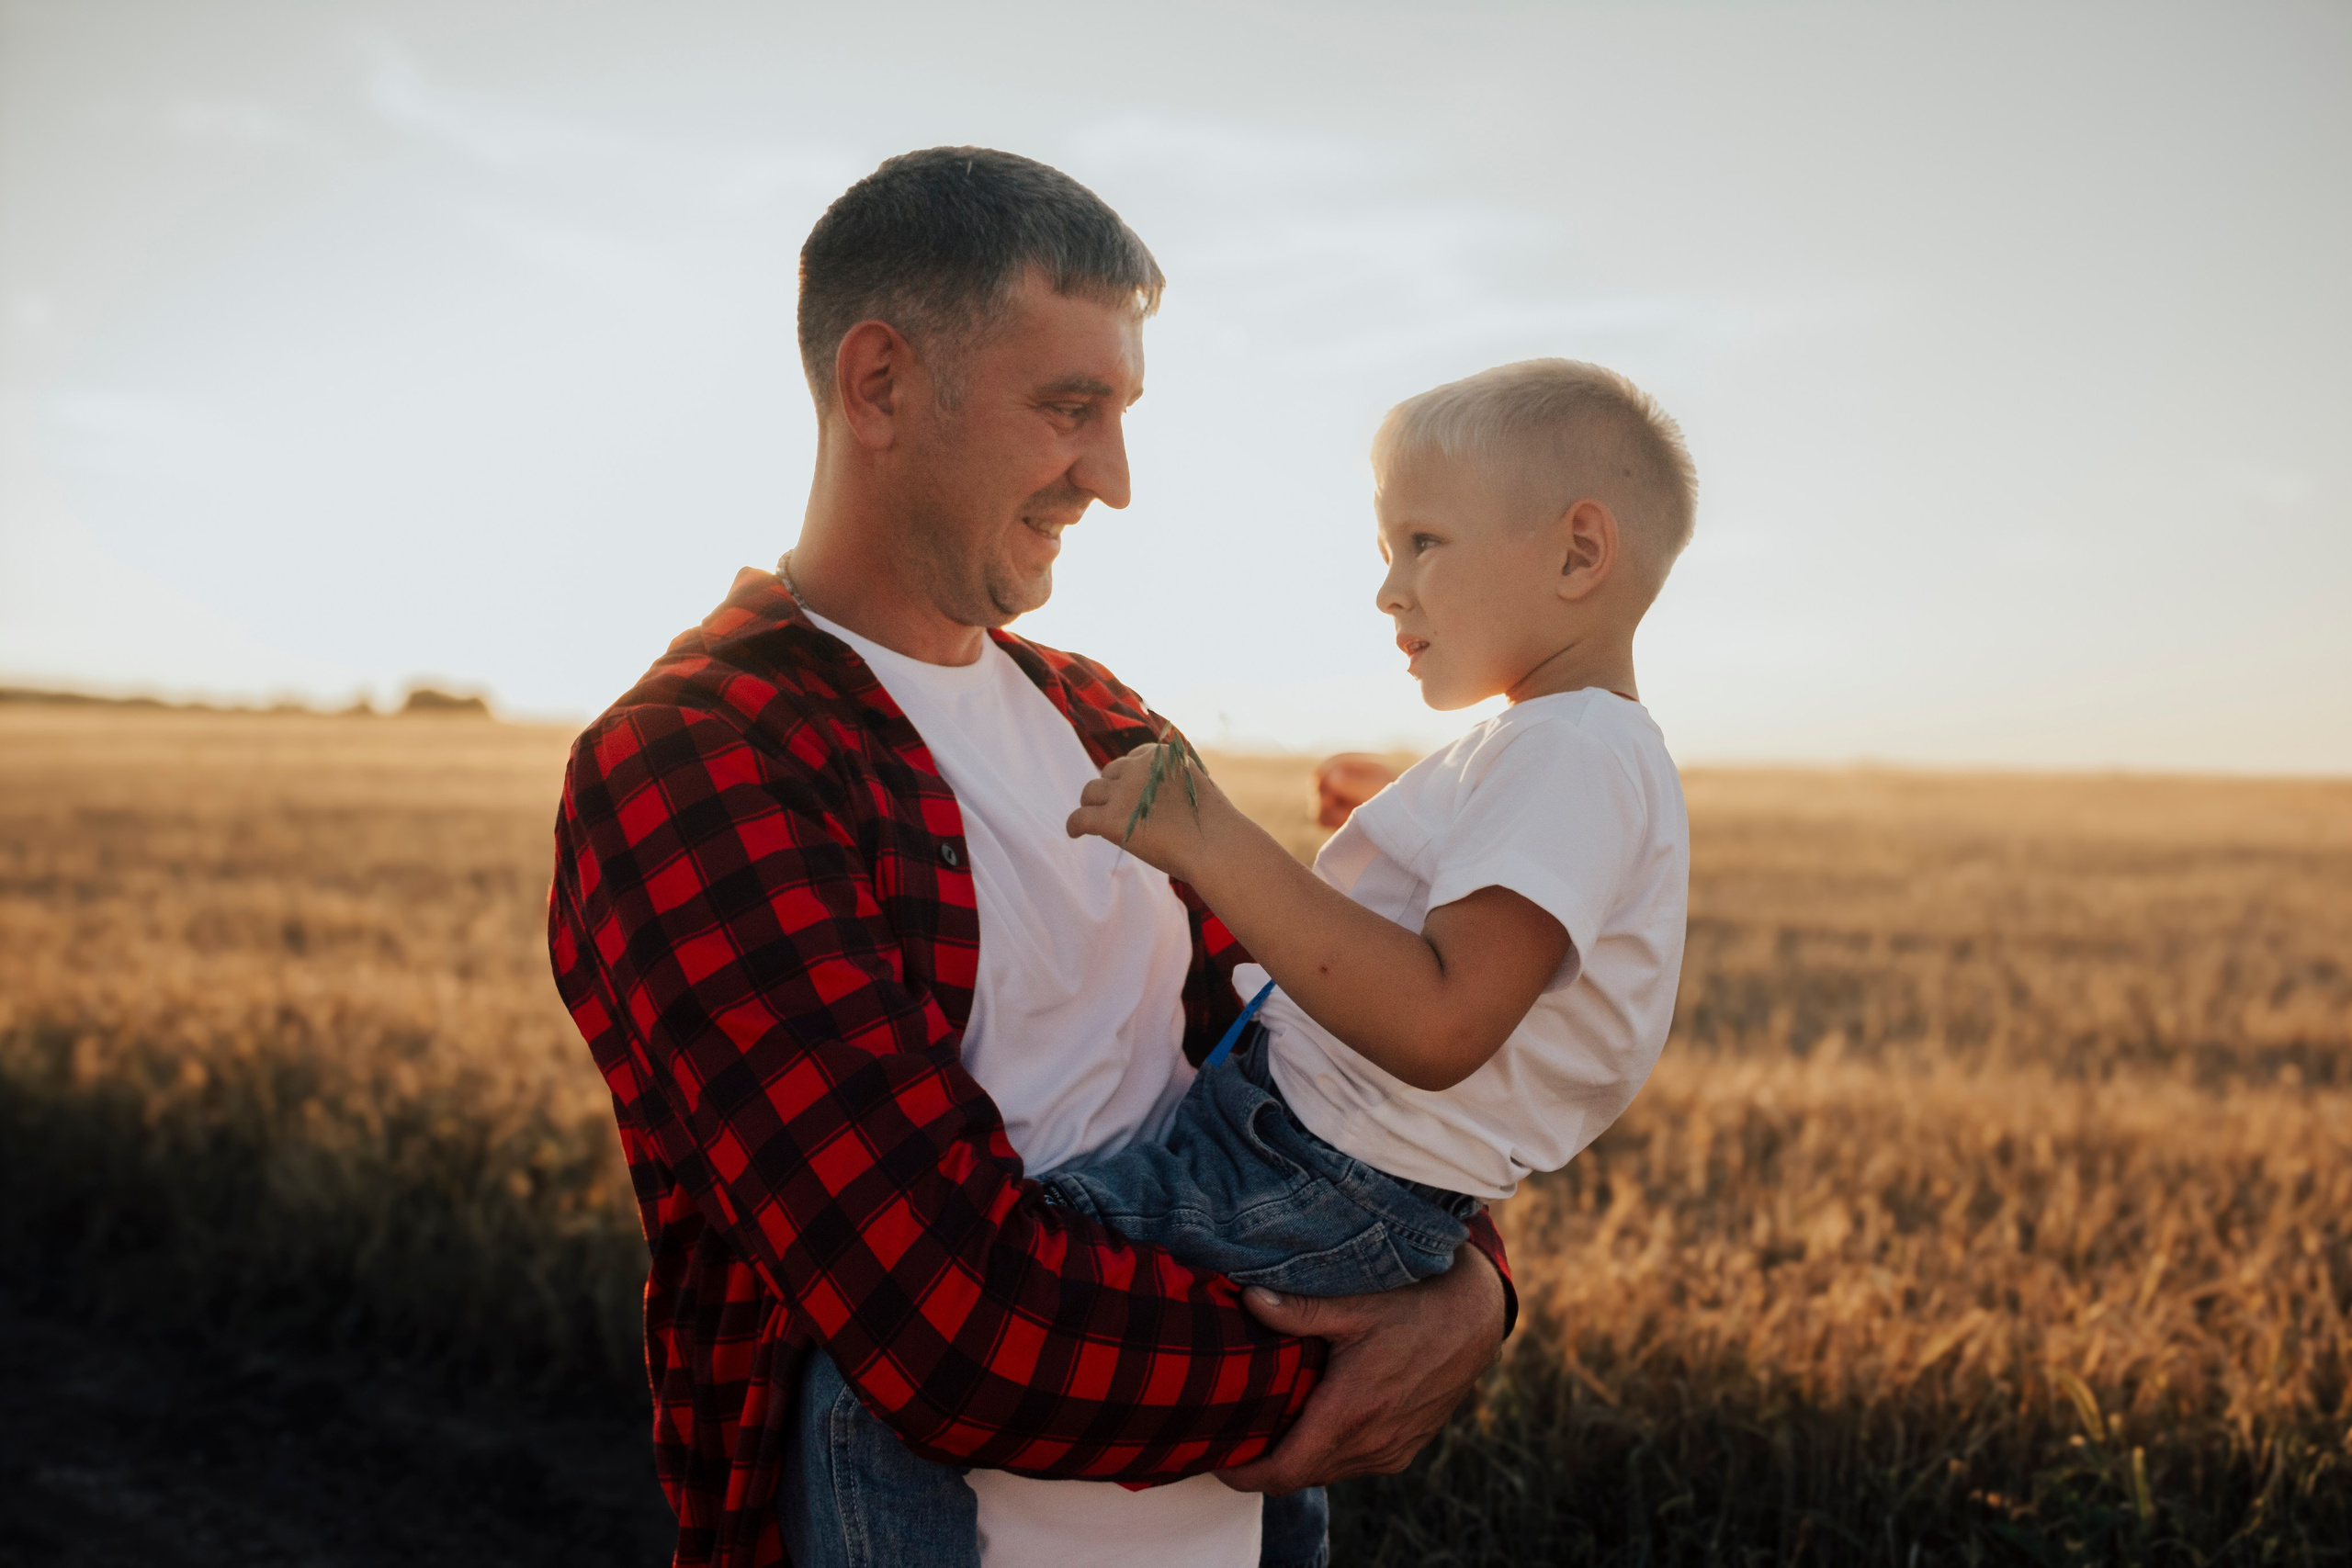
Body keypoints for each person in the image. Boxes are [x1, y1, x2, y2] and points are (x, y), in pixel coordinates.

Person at [547, 146, 1516, 1568]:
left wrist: (1477, 1292)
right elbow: (943, 1319)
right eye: (1071, 410)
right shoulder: (702, 757)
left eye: (1120, 414)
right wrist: (1353, 1359)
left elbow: (1313, 1084)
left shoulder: (1103, 718)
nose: (1111, 481)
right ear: (878, 383)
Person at [813, 357, 1695, 1562]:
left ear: (1579, 554)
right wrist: (1389, 837)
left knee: (884, 1349)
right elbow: (1434, 959)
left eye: (1423, 542)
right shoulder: (1559, 752)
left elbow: (1442, 1023)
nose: (1390, 591)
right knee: (1269, 1392)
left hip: (1313, 1172)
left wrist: (1215, 839)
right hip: (1337, 1170)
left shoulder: (1573, 753)